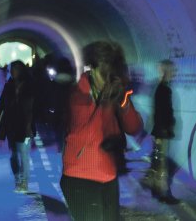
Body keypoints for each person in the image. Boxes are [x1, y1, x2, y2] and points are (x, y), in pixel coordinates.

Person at [60, 41, 144, 221]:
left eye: (111, 75)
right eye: (103, 74)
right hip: (80, 177)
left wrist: (123, 102)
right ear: (91, 68)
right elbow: (86, 131)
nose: (106, 81)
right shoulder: (77, 95)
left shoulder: (115, 92)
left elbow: (134, 127)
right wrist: (106, 102)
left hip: (108, 175)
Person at [140, 59, 180, 204]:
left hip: (160, 132)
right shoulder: (164, 89)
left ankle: (155, 189)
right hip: (161, 133)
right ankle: (163, 193)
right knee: (161, 164)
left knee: (158, 162)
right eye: (172, 71)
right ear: (166, 71)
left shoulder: (160, 88)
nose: (174, 74)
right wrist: (163, 131)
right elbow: (162, 113)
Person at [0, 60, 34, 193]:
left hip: (25, 126)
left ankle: (24, 182)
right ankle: (17, 178)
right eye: (12, 69)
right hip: (11, 125)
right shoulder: (8, 86)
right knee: (13, 155)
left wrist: (32, 125)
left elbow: (34, 108)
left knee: (23, 154)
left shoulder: (29, 85)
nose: (13, 71)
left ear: (22, 70)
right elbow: (2, 105)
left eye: (16, 69)